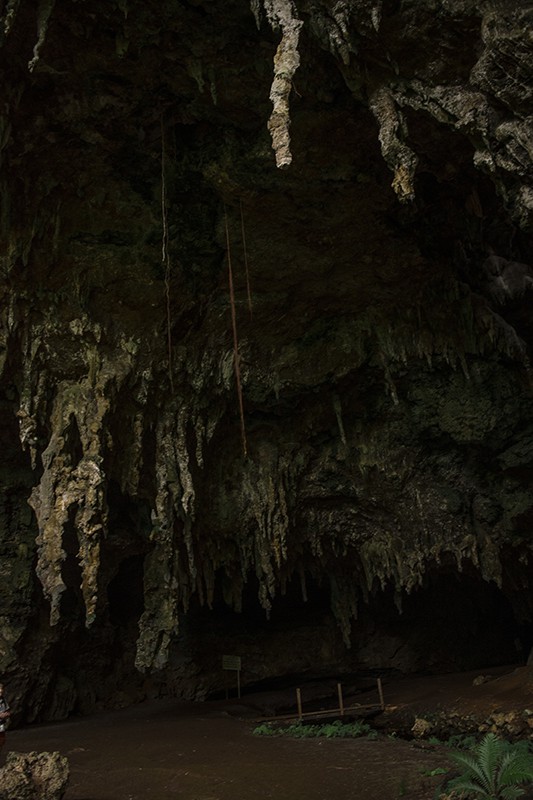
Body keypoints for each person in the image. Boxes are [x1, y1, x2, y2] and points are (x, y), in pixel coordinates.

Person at [0, 683, 11, 754]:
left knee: (1, 741)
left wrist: (7, 714)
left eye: (1, 691)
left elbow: (8, 709)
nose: (1, 692)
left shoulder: (3, 700)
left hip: (1, 725)